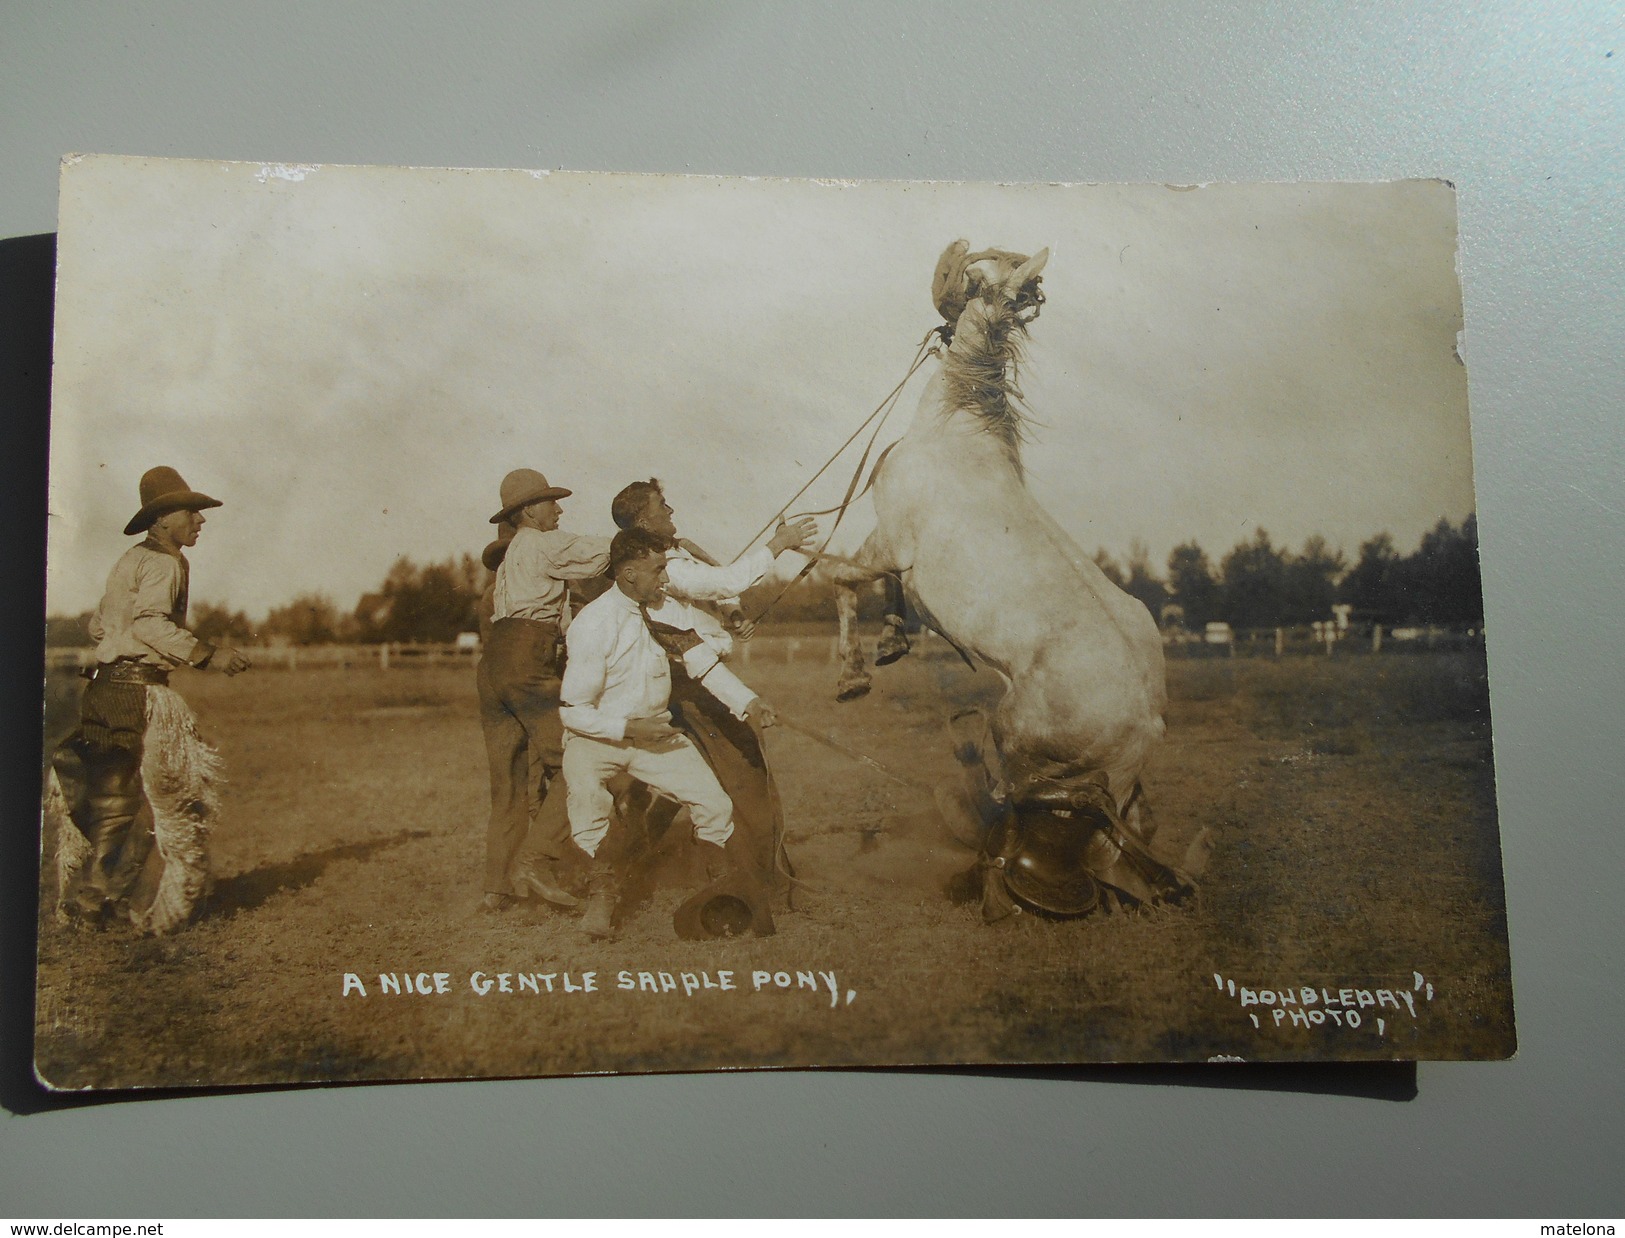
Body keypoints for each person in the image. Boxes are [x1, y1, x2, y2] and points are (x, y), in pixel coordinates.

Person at [53, 466, 251, 932]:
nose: (200, 522)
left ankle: (91, 901)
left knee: (112, 801)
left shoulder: (129, 559)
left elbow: (99, 626)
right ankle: (152, 908)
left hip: (104, 692)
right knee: (157, 803)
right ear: (162, 520)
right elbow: (148, 625)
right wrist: (207, 654)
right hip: (141, 693)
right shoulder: (165, 562)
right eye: (192, 513)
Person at [559, 528, 778, 939]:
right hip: (596, 739)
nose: (666, 578)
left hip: (655, 737)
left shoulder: (666, 610)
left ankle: (718, 897)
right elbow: (573, 712)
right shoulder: (592, 624)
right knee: (589, 808)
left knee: (715, 805)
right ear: (627, 574)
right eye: (658, 570)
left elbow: (703, 663)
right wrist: (624, 726)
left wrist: (747, 701)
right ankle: (601, 902)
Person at [608, 478, 817, 898]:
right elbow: (724, 581)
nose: (671, 512)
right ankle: (763, 884)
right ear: (643, 521)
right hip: (694, 686)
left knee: (682, 786)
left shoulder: (673, 558)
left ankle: (630, 873)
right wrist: (779, 544)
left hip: (688, 681)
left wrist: (733, 615)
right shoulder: (665, 566)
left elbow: (717, 593)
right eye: (662, 506)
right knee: (746, 776)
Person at [476, 469, 611, 913]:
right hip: (525, 662)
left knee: (509, 782)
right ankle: (534, 861)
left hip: (493, 668)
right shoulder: (538, 543)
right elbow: (597, 554)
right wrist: (637, 539)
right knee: (580, 760)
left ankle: (497, 888)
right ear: (529, 511)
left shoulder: (512, 562)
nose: (559, 509)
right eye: (551, 503)